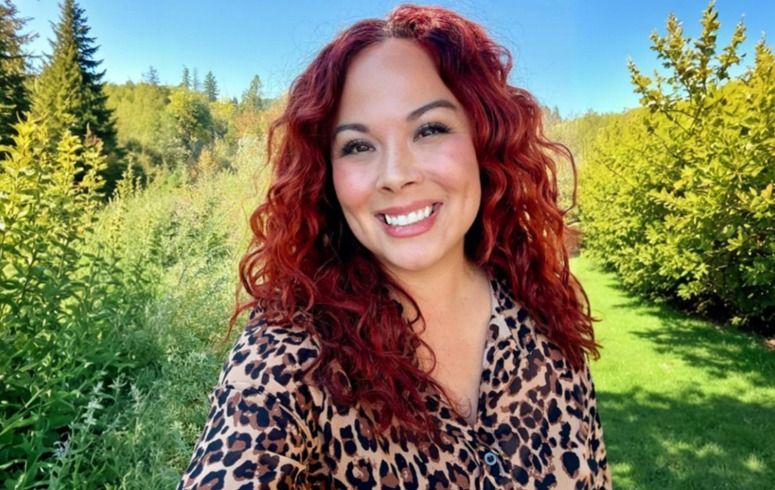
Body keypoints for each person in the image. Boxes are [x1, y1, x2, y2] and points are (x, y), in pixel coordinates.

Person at [178, 4, 611, 489]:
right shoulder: (290, 357)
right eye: (358, 146)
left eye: (429, 129)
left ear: (483, 142)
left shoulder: (543, 315)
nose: (396, 175)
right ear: (327, 176)